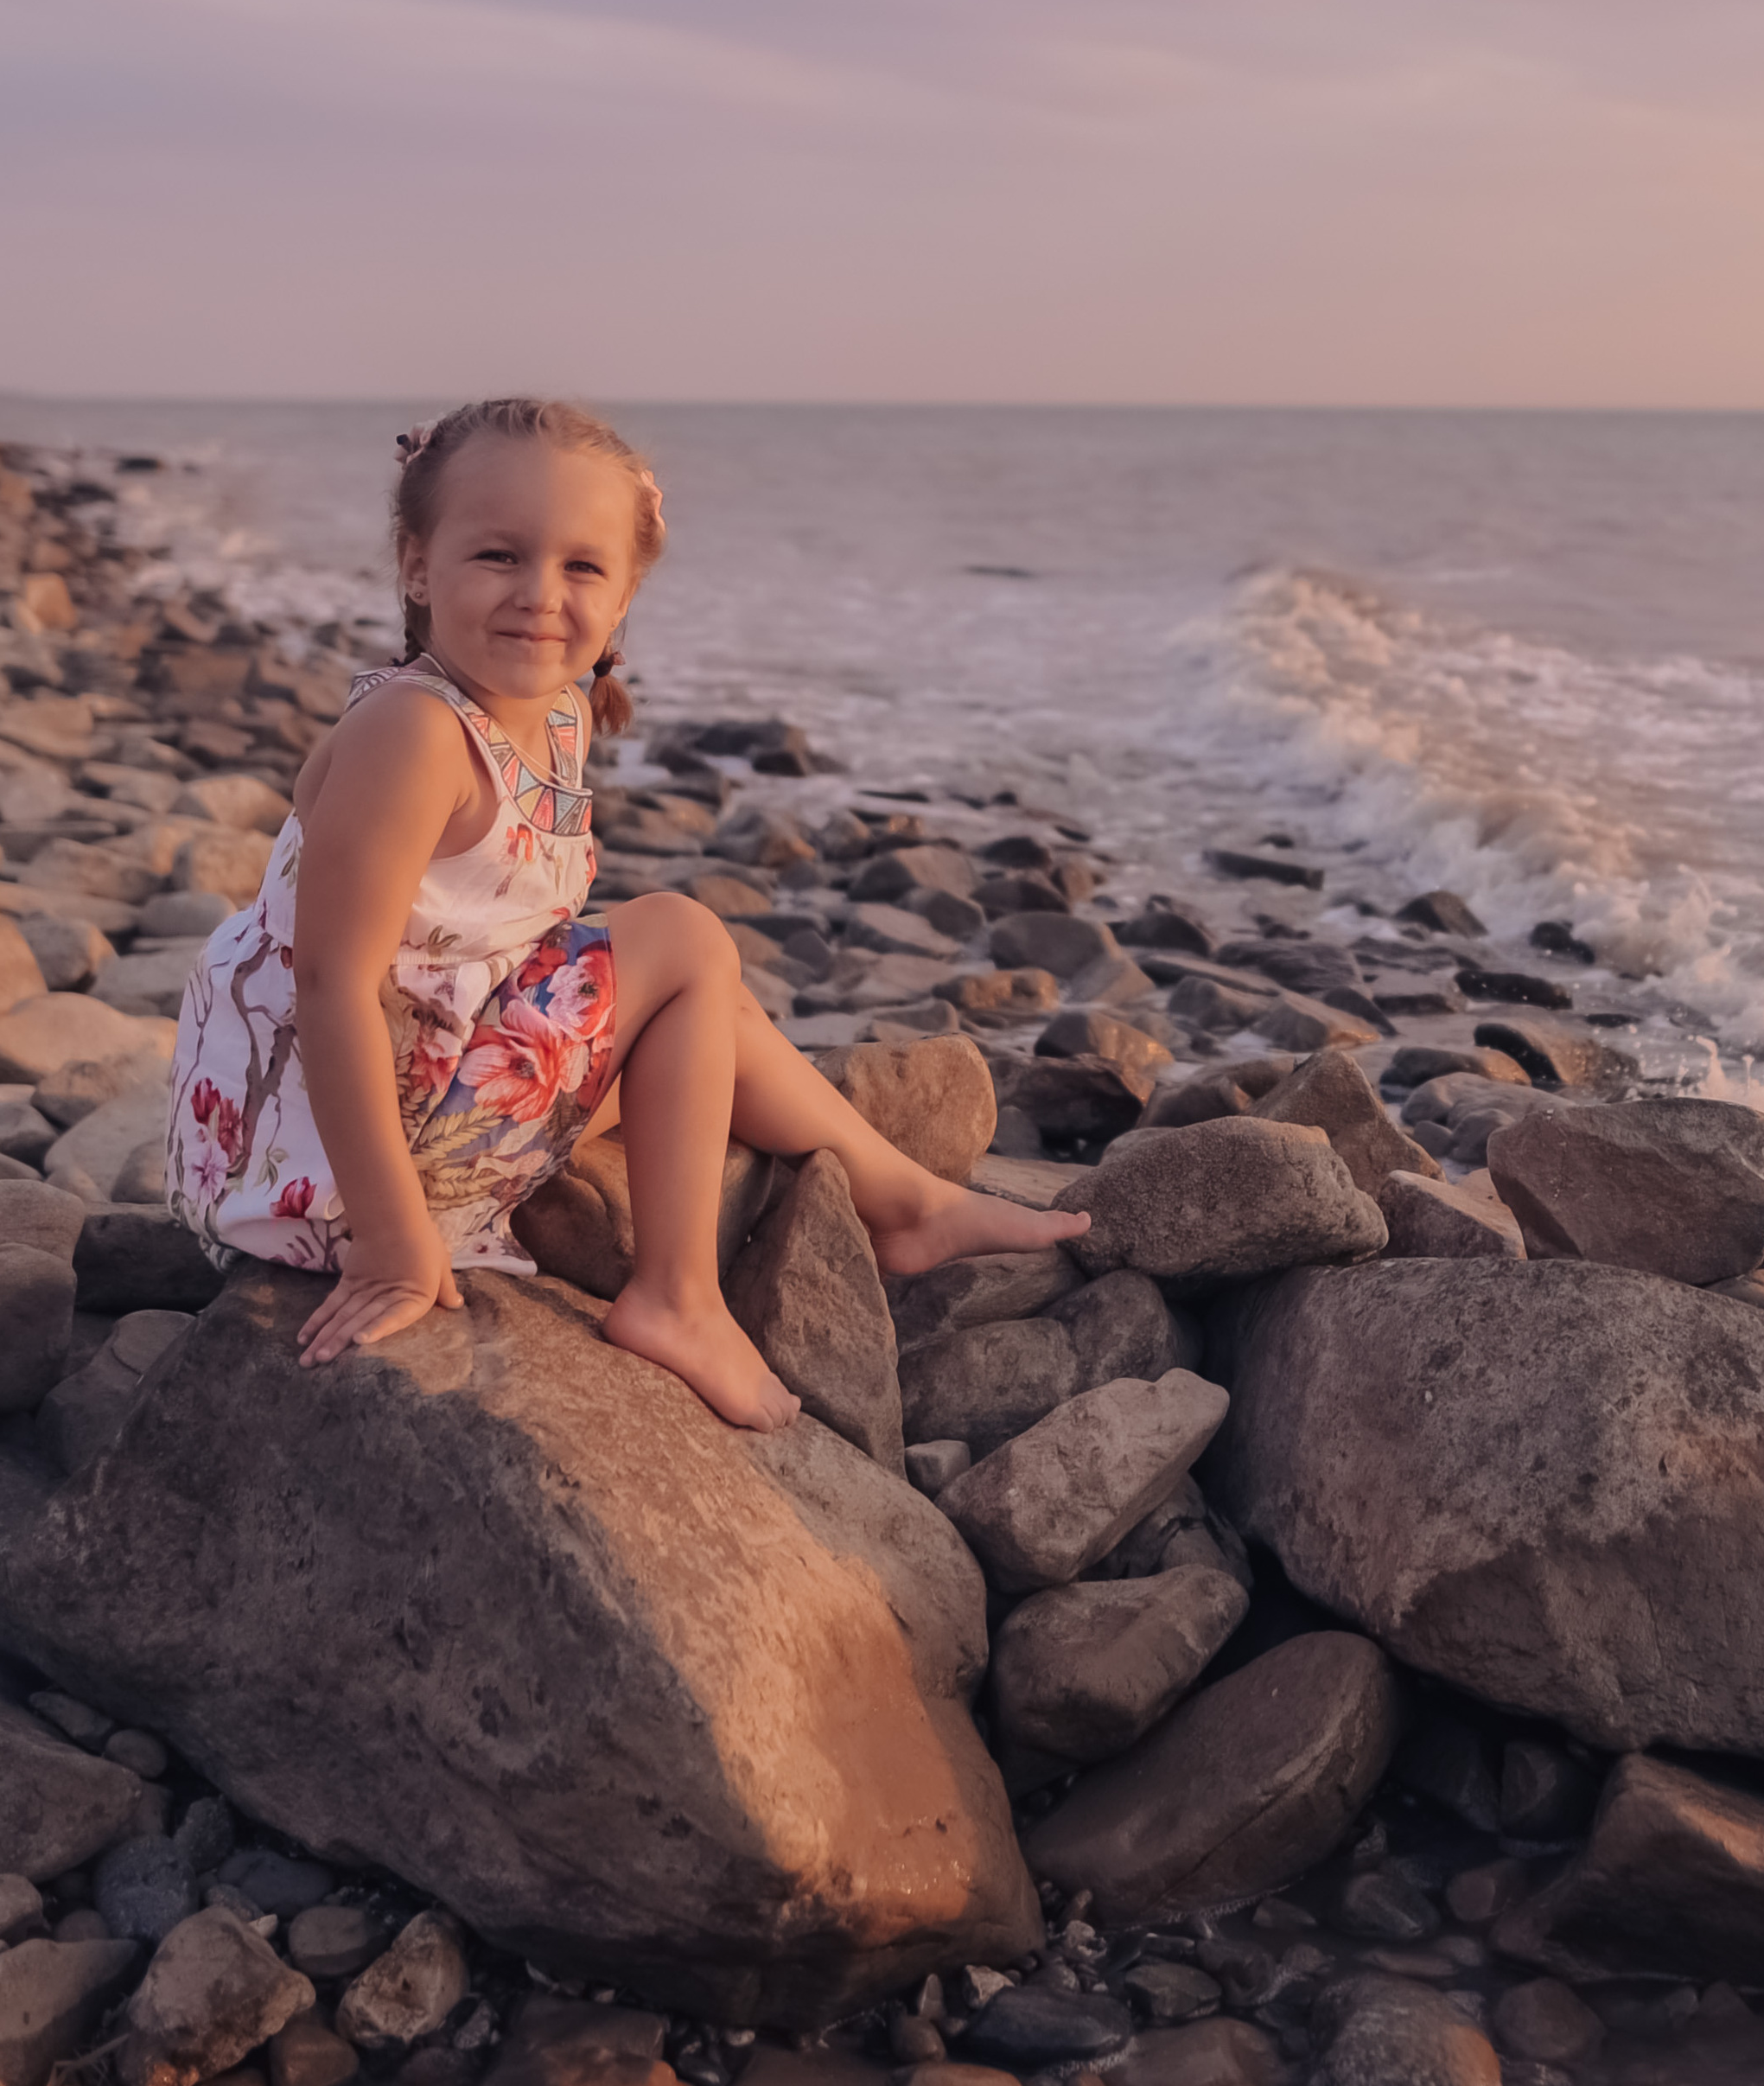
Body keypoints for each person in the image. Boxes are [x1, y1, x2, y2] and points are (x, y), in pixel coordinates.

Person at [168, 395, 1086, 1431]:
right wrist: (390, 1238)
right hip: (329, 1164)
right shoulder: (413, 735)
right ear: (418, 565)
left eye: (581, 567)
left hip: (397, 1095)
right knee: (688, 941)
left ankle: (907, 1204)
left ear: (626, 591)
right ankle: (678, 1296)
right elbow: (330, 984)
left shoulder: (554, 707)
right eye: (498, 556)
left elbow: (490, 935)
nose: (538, 596)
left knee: (703, 1015)